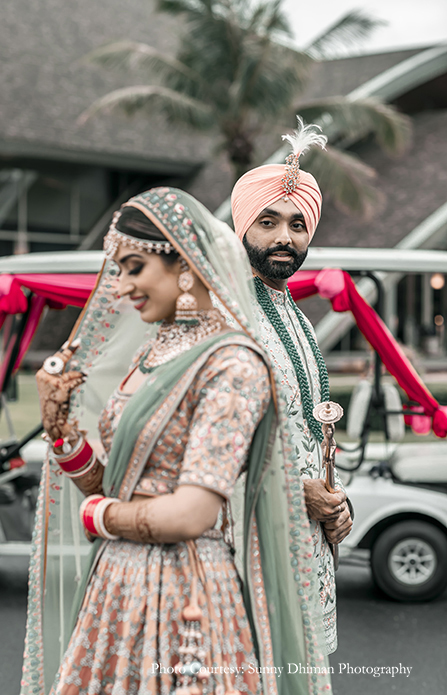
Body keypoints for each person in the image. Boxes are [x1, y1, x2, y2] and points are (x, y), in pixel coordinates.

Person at [20, 187, 333, 695]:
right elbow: (121, 484)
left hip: (185, 592)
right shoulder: (155, 350)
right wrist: (63, 435)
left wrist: (97, 517)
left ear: (184, 265)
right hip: (116, 584)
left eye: (134, 267)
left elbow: (191, 514)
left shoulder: (232, 363)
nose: (119, 287)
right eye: (118, 270)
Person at [231, 119, 353, 655]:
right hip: (247, 552)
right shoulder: (226, 315)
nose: (285, 236)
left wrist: (334, 497)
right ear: (241, 226)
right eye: (269, 221)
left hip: (307, 553)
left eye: (299, 224)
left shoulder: (296, 314)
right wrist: (293, 492)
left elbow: (308, 431)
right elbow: (196, 450)